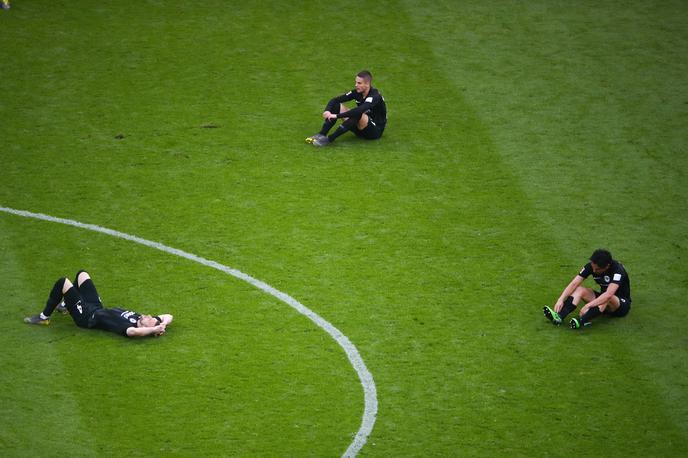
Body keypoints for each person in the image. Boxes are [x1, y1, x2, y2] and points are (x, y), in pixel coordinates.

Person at [24, 270, 173, 337]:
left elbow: (134, 333)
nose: (147, 315)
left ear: (147, 327)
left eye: (149, 319)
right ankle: (66, 306)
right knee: (82, 275)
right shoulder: (141, 319)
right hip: (96, 307)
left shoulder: (127, 327)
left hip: (87, 317)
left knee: (63, 282)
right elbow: (168, 315)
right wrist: (162, 325)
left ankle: (44, 317)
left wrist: (154, 331)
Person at [544, 249, 631, 329]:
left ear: (607, 266)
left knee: (607, 298)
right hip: (601, 304)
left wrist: (588, 305)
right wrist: (561, 299)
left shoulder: (618, 270)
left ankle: (581, 321)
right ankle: (559, 316)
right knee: (579, 290)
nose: (593, 270)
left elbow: (608, 294)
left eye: (597, 269)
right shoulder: (592, 266)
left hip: (620, 306)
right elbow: (574, 283)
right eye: (593, 267)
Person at [306, 70, 387, 147]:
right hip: (359, 128)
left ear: (367, 84)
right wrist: (327, 111)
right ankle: (321, 134)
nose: (356, 85)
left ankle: (329, 139)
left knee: (358, 113)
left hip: (374, 132)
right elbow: (335, 100)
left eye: (359, 83)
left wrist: (337, 116)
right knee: (337, 105)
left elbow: (359, 110)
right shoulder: (357, 92)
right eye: (356, 82)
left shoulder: (375, 96)